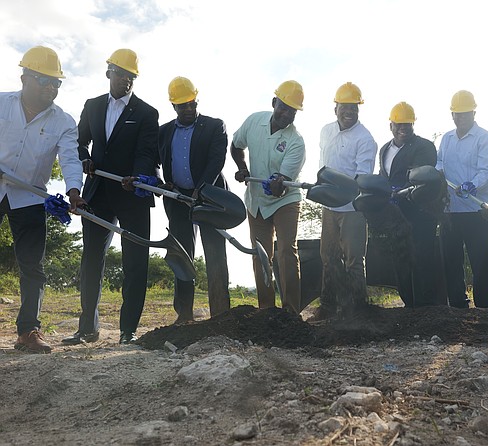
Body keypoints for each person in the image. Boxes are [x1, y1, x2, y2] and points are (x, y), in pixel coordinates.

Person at [63, 49, 159, 345]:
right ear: (108, 73)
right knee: (91, 259)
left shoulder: (146, 113)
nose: (126, 81)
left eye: (131, 76)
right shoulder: (92, 106)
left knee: (135, 263)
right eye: (121, 74)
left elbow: (147, 154)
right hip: (99, 193)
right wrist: (85, 160)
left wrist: (138, 175)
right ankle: (87, 329)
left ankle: (128, 330)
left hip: (133, 195)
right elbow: (79, 142)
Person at [0, 46, 85, 353]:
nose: (51, 87)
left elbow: (71, 159)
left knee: (32, 266)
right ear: (24, 78)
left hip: (30, 194)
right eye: (43, 80)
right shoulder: (1, 103)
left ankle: (27, 332)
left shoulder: (63, 121)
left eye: (56, 83)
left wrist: (75, 190)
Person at [157, 77, 230, 323]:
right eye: (182, 106)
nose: (188, 109)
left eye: (191, 104)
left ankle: (220, 313)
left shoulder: (214, 126)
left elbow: (216, 160)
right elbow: (153, 160)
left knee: (215, 252)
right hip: (178, 199)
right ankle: (184, 314)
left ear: (196, 101)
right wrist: (160, 182)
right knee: (181, 253)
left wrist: (202, 189)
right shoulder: (164, 131)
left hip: (210, 197)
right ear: (173, 107)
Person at [231, 80, 306, 313]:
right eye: (283, 107)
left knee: (285, 251)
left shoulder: (296, 142)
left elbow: (280, 187)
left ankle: (291, 312)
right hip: (256, 202)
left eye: (292, 111)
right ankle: (266, 311)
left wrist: (278, 185)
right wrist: (242, 168)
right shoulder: (254, 121)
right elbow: (235, 146)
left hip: (285, 201)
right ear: (274, 103)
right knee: (260, 254)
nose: (286, 114)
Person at [317, 82, 377, 318]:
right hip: (328, 204)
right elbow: (322, 165)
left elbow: (361, 177)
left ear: (358, 110)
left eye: (353, 108)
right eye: (345, 107)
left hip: (352, 207)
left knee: (353, 259)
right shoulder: (325, 131)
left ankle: (356, 308)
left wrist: (341, 190)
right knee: (328, 257)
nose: (349, 112)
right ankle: (328, 306)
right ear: (336, 108)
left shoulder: (365, 139)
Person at [436, 90, 488, 310]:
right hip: (450, 210)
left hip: (476, 210)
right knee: (451, 261)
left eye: (463, 113)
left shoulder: (484, 138)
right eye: (456, 114)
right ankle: (458, 306)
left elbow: (486, 170)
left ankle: (485, 308)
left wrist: (472, 184)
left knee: (480, 262)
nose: (459, 117)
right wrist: (439, 174)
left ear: (473, 112)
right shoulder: (447, 138)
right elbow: (439, 162)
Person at [378, 102, 438, 307]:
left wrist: (399, 189)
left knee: (421, 259)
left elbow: (420, 174)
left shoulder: (424, 146)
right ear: (391, 125)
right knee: (401, 259)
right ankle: (409, 306)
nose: (403, 128)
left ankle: (426, 307)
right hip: (396, 215)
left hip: (420, 214)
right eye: (399, 124)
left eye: (408, 124)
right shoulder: (384, 149)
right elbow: (383, 176)